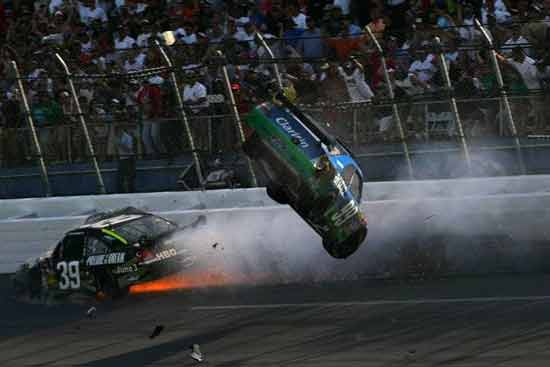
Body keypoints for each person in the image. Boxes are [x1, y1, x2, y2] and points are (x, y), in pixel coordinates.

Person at [115, 124, 136, 193]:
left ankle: (131, 191)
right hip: (122, 159)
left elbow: (130, 150)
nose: (118, 132)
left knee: (130, 177)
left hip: (129, 159)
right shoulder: (117, 137)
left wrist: (121, 144)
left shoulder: (128, 137)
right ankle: (121, 191)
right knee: (120, 177)